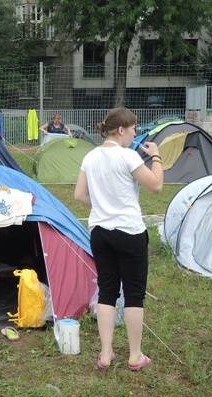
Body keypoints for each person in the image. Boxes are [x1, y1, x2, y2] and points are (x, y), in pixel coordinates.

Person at [74, 107, 163, 371]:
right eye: (133, 128)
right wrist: (156, 156)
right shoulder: (128, 157)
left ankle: (105, 353)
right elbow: (156, 185)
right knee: (134, 294)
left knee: (107, 291)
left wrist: (103, 202)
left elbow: (80, 195)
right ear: (121, 130)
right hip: (129, 232)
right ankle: (135, 355)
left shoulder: (90, 157)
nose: (136, 133)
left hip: (100, 233)